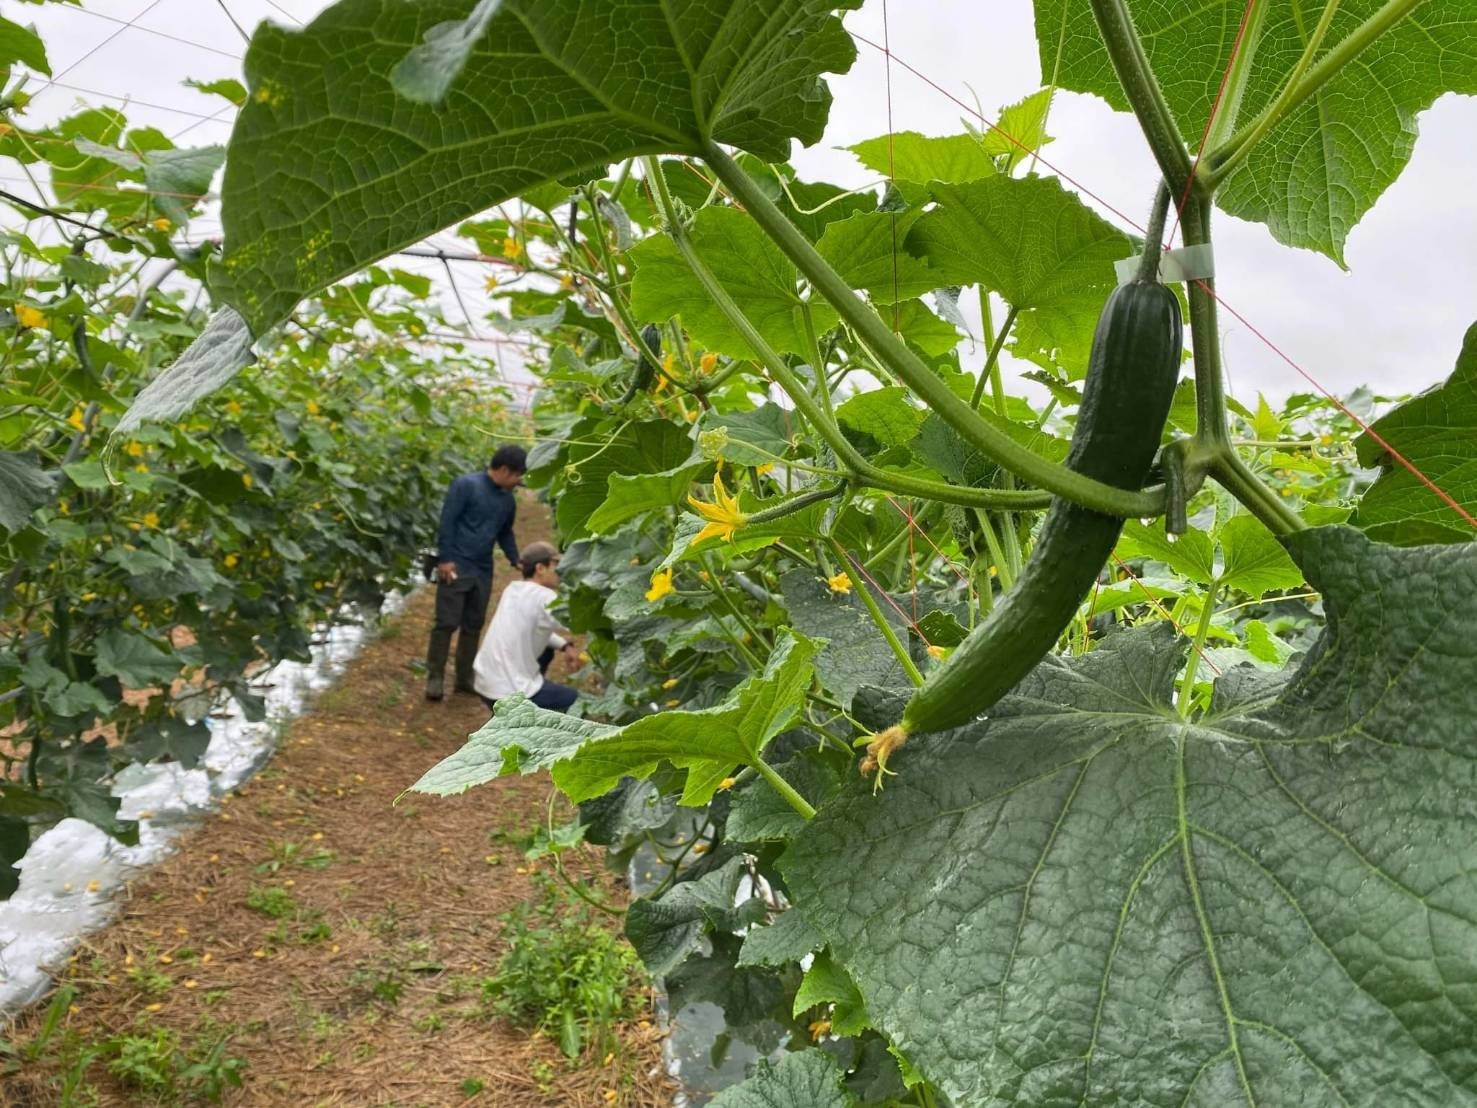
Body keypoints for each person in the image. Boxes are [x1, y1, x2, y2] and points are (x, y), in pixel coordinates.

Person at [424, 444, 527, 701]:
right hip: (456, 565)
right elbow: (448, 521)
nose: (518, 481)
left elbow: (504, 532)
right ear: (503, 470)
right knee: (446, 622)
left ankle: (463, 678)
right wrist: (445, 559)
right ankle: (435, 677)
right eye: (516, 475)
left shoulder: (507, 499)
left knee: (473, 624)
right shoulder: (466, 485)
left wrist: (516, 559)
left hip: (482, 568)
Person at [473, 541, 580, 714]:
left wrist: (565, 646)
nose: (560, 571)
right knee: (576, 701)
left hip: (485, 681)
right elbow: (578, 622)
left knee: (547, 650)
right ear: (540, 568)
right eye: (555, 565)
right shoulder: (545, 597)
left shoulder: (513, 589)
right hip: (508, 692)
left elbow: (536, 628)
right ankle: (528, 722)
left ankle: (511, 717)